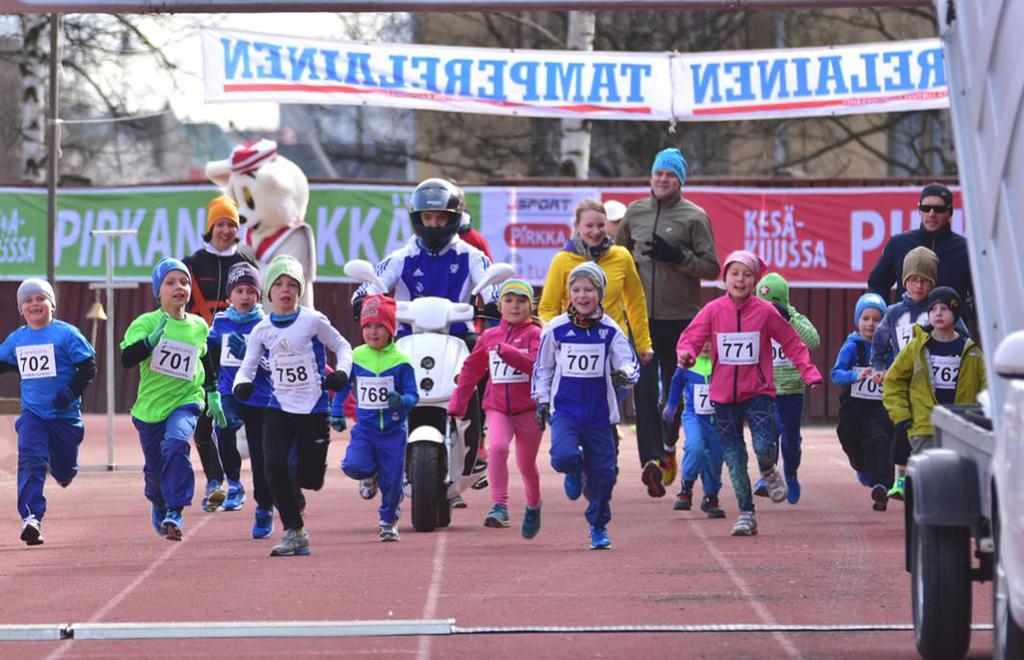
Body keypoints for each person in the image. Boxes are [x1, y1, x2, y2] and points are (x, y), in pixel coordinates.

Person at [676, 251, 822, 537]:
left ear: (755, 281)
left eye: (747, 274)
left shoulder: (765, 312)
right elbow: (690, 338)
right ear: (725, 278)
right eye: (734, 273)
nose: (740, 280)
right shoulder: (713, 310)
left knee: (764, 443)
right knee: (734, 457)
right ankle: (746, 513)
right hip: (722, 396)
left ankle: (769, 468)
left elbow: (792, 342)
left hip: (758, 392)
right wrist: (686, 355)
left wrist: (809, 373)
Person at [616, 148, 720, 497]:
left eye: (670, 175)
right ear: (651, 177)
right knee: (643, 392)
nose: (663, 179)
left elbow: (711, 267)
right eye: (659, 173)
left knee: (673, 396)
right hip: (640, 319)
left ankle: (669, 444)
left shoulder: (694, 216)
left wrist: (678, 258)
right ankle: (653, 462)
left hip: (681, 318)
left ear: (680, 181)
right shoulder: (635, 212)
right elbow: (619, 258)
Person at [233, 255, 352, 556]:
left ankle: (303, 481)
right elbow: (247, 366)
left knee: (309, 478)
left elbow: (342, 346)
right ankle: (294, 531)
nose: (285, 290)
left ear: (299, 291)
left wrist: (341, 373)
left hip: (313, 407)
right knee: (273, 466)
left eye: (292, 285)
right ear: (269, 292)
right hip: (279, 405)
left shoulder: (313, 321)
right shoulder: (262, 330)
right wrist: (241, 385)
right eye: (279, 284)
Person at [532, 262, 640, 550]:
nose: (582, 296)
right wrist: (542, 401)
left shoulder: (610, 329)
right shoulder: (556, 329)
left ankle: (598, 525)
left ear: (600, 293)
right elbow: (542, 368)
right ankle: (575, 471)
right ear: (568, 294)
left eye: (589, 290)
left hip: (600, 415)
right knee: (563, 457)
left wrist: (625, 375)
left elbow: (629, 363)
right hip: (565, 411)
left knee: (604, 476)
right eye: (576, 290)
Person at [121, 258, 222, 541]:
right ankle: (158, 501)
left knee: (177, 444)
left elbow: (206, 359)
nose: (179, 287)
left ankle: (175, 509)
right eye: (170, 282)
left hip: (187, 400)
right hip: (150, 409)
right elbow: (126, 359)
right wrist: (150, 342)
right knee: (154, 473)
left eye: (184, 282)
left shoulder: (199, 326)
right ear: (158, 291)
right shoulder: (145, 322)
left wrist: (212, 392)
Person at [0, 279, 96, 546]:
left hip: (65, 418)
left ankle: (65, 470)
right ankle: (31, 518)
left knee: (64, 470)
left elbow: (88, 368)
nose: (34, 304)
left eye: (40, 298)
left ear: (51, 304)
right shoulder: (17, 338)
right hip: (33, 415)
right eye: (28, 301)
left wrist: (71, 391)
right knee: (30, 459)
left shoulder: (67, 335)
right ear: (21, 309)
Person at [449, 278, 543, 538]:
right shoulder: (489, 336)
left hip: (529, 411)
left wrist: (508, 352)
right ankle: (499, 506)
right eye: (509, 301)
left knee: (526, 465)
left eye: (521, 301)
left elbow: (536, 367)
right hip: (498, 408)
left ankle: (534, 505)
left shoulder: (536, 335)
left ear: (530, 306)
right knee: (498, 448)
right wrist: (458, 401)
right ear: (499, 306)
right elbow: (471, 370)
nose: (514, 306)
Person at [183, 194, 258, 513]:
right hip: (199, 352)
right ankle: (215, 482)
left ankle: (242, 485)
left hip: (238, 359)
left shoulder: (246, 264)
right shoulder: (191, 264)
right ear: (210, 227)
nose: (226, 230)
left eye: (231, 224)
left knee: (238, 424)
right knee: (201, 422)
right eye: (220, 224)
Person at [882, 287, 985, 498]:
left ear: (955, 315)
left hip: (960, 429)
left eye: (944, 309)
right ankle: (926, 527)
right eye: (933, 309)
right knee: (928, 486)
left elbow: (986, 389)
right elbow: (893, 382)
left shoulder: (972, 351)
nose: (938, 313)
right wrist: (902, 416)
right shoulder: (916, 347)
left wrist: (980, 418)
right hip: (923, 428)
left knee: (956, 484)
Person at [330, 294, 418, 542]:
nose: (373, 332)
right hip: (366, 429)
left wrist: (402, 401)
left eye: (380, 326)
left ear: (390, 329)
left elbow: (413, 394)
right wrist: (337, 411)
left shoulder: (401, 362)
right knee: (353, 465)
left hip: (393, 432)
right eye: (368, 326)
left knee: (392, 482)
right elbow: (344, 386)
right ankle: (369, 475)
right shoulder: (357, 356)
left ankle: (388, 520)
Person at [208, 262, 277, 537]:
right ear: (229, 296)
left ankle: (264, 509)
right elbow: (211, 353)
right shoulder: (221, 321)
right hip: (229, 391)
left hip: (260, 395)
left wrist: (253, 352)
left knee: (262, 459)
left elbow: (276, 364)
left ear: (258, 296)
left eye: (251, 291)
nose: (245, 296)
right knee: (223, 428)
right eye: (240, 290)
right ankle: (234, 483)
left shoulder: (266, 323)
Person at [754, 272, 820, 505]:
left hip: (791, 390)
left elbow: (813, 340)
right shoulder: (755, 318)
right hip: (764, 389)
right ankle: (767, 476)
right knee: (767, 436)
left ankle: (790, 473)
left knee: (790, 440)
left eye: (773, 305)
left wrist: (788, 320)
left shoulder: (795, 318)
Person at [867, 183, 974, 321]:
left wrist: (964, 314)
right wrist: (889, 316)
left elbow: (979, 294)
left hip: (950, 332)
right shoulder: (898, 243)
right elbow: (877, 283)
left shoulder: (965, 249)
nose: (931, 213)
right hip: (906, 331)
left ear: (950, 212)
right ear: (919, 210)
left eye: (939, 209)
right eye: (925, 208)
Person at [830, 293, 894, 511]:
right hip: (854, 405)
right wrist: (854, 376)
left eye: (877, 319)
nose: (871, 323)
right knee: (847, 435)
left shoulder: (889, 347)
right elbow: (836, 374)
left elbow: (898, 370)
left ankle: (882, 487)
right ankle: (861, 466)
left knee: (880, 438)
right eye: (865, 318)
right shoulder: (851, 347)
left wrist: (886, 375)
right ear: (858, 320)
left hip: (880, 405)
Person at [661, 341, 726, 519]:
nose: (705, 346)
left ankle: (711, 497)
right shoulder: (687, 364)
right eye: (701, 342)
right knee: (694, 446)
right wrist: (671, 407)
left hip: (717, 421)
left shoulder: (723, 362)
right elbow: (676, 384)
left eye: (709, 341)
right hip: (694, 417)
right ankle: (686, 489)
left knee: (715, 456)